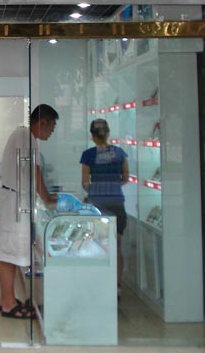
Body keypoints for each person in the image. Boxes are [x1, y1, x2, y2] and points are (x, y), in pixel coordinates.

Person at [0, 103, 59, 319]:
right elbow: (34, 171)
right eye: (52, 127)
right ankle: (8, 303)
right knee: (8, 252)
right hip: (14, 203)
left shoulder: (24, 136)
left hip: (14, 200)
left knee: (9, 251)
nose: (51, 132)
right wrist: (47, 198)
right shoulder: (25, 136)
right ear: (43, 122)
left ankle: (8, 299)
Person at [80, 118, 129, 296]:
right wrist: (112, 186)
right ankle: (117, 286)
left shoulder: (88, 155)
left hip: (97, 204)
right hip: (117, 203)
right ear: (108, 133)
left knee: (97, 244)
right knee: (116, 245)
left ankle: (99, 282)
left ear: (92, 136)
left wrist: (95, 189)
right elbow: (125, 178)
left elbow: (85, 182)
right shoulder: (120, 153)